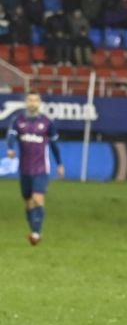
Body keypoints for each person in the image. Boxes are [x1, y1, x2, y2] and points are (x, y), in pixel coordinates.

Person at [5, 91, 64, 246]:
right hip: (24, 169)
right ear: (26, 102)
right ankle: (33, 229)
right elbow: (10, 137)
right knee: (28, 202)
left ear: (39, 103)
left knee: (37, 199)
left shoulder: (47, 122)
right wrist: (10, 149)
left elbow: (54, 145)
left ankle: (37, 233)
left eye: (35, 100)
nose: (33, 103)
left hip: (41, 168)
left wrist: (59, 164)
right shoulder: (18, 120)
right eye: (30, 100)